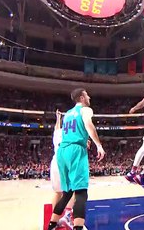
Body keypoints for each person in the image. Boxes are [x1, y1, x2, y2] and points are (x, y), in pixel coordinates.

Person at [48, 88, 105, 230]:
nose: (89, 97)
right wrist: (99, 145)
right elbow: (89, 125)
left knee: (67, 193)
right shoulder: (85, 110)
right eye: (87, 95)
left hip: (62, 152)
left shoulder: (67, 114)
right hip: (75, 151)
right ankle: (78, 227)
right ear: (81, 98)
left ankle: (52, 225)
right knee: (81, 192)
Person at [50, 109, 74, 229]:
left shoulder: (58, 133)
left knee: (57, 192)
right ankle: (68, 215)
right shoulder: (72, 133)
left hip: (55, 162)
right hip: (66, 163)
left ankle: (54, 222)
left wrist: (58, 118)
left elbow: (56, 128)